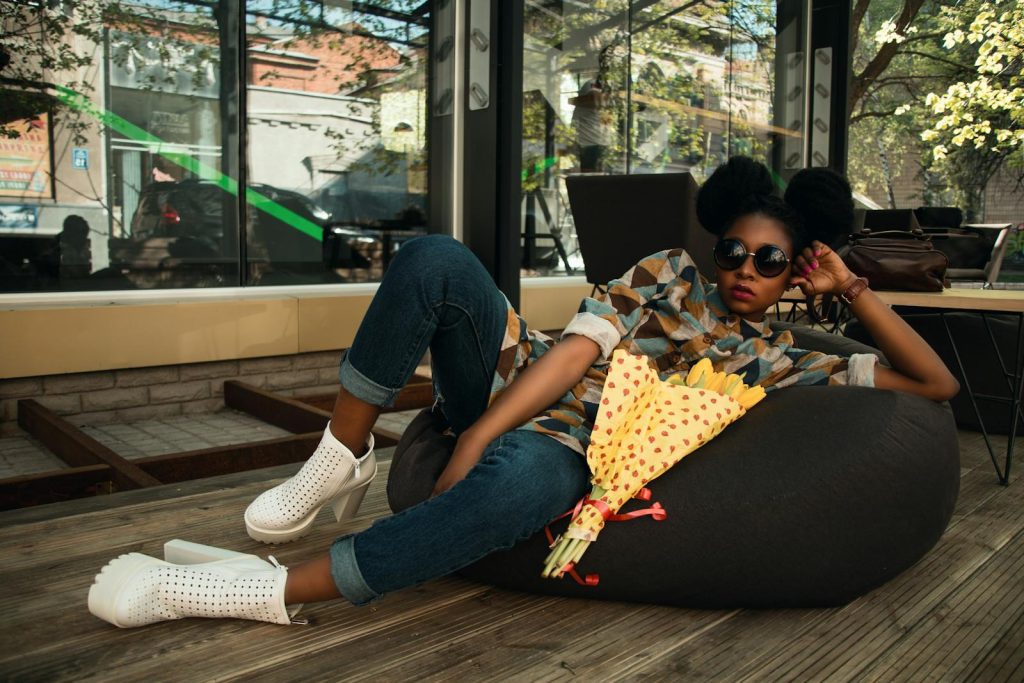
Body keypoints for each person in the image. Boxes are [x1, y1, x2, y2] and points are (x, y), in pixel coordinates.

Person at [87, 157, 959, 628]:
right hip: (515, 376)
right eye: (732, 250)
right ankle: (342, 452)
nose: (744, 271)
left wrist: (851, 289)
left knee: (531, 485)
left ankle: (261, 592)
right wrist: (472, 434)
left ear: (793, 272)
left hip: (568, 448)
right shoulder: (665, 275)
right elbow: (574, 352)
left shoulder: (777, 358)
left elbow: (934, 383)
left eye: (770, 261)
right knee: (434, 257)